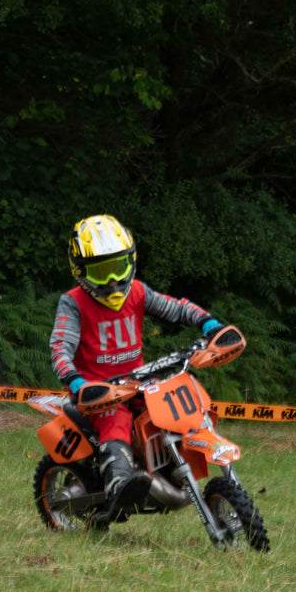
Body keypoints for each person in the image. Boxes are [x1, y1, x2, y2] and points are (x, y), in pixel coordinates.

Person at [49, 214, 228, 514]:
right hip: (99, 395)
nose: (112, 281)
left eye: (118, 268)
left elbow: (177, 308)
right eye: (101, 272)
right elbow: (59, 348)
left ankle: (172, 469)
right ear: (80, 271)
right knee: (115, 422)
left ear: (130, 262)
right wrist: (76, 381)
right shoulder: (73, 302)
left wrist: (209, 324)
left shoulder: (138, 292)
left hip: (139, 384)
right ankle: (120, 485)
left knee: (169, 413)